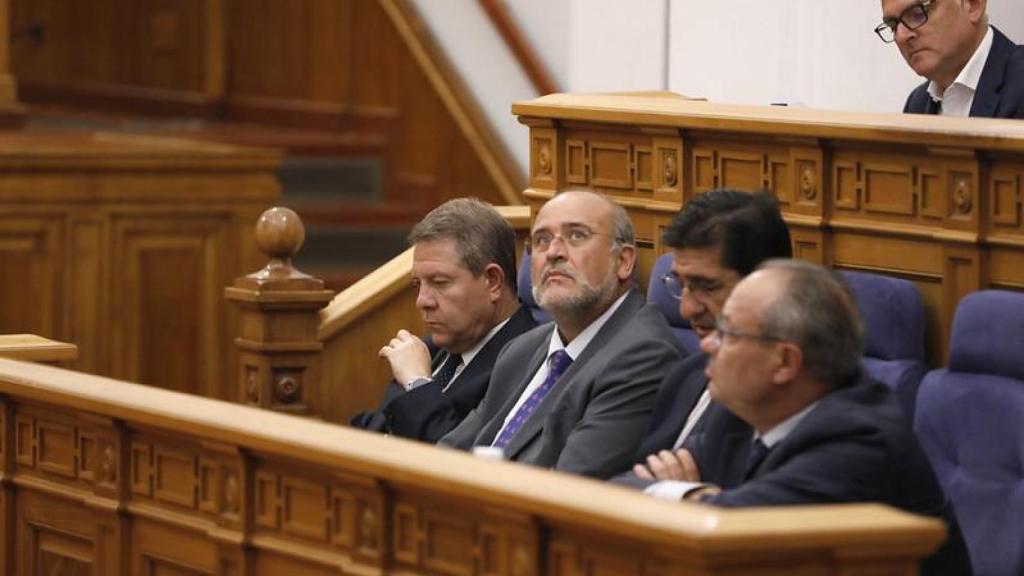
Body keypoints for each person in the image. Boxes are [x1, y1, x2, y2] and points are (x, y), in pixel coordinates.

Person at [638, 260, 972, 576]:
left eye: (728, 334)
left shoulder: (858, 441)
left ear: (785, 362)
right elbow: (622, 487)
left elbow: (733, 530)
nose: (708, 343)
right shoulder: (741, 412)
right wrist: (693, 497)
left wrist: (686, 494)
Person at [439, 190, 685, 479]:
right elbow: (451, 450)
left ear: (623, 261)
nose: (554, 252)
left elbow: (570, 485)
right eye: (542, 240)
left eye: (577, 236)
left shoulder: (644, 356)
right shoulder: (522, 349)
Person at [618, 189, 791, 482]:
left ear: (767, 285)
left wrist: (685, 497)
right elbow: (628, 483)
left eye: (707, 287)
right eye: (681, 284)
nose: (686, 309)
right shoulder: (687, 375)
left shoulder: (785, 402)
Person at [349, 198, 536, 442]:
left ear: (493, 281)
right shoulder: (427, 349)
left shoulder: (529, 361)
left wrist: (417, 383)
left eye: (440, 283)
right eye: (418, 284)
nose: (422, 301)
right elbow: (372, 426)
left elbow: (456, 456)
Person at [877, 0, 1024, 118]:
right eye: (893, 25)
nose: (901, 36)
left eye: (917, 14)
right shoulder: (917, 104)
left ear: (973, 5)